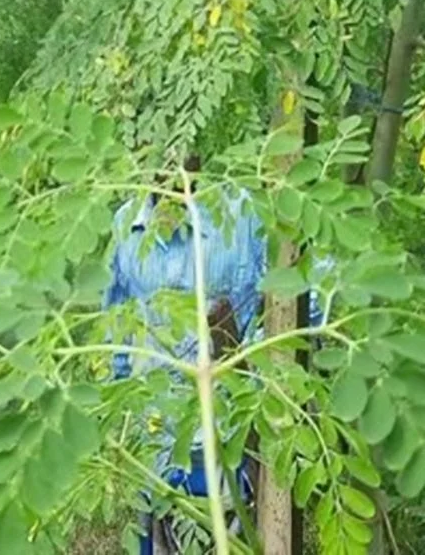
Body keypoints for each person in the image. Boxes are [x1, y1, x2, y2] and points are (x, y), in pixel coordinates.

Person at [103, 157, 323, 555]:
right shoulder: (125, 225)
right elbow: (116, 333)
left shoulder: (244, 214)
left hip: (230, 441)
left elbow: (311, 293)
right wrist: (120, 420)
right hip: (154, 446)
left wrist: (252, 356)